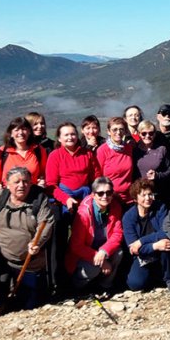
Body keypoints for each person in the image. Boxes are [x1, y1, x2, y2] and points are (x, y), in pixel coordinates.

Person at [0, 167, 54, 317]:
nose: (22, 185)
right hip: (3, 257)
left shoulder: (40, 199)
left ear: (31, 183)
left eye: (25, 181)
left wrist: (36, 243)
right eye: (17, 182)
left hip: (30, 260)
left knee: (30, 305)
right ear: (7, 184)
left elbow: (46, 224)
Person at [44, 122, 102, 290]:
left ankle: (84, 275)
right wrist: (66, 199)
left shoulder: (87, 154)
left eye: (73, 134)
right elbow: (51, 185)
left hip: (84, 198)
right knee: (60, 241)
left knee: (84, 237)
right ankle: (59, 280)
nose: (70, 137)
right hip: (63, 201)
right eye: (66, 135)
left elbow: (96, 178)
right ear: (59, 138)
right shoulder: (55, 155)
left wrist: (93, 197)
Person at [65, 177, 124, 293]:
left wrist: (104, 251)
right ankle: (78, 288)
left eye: (109, 192)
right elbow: (76, 246)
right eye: (100, 193)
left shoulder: (115, 207)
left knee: (119, 253)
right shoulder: (83, 213)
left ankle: (105, 286)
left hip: (102, 251)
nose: (105, 196)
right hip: (85, 255)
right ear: (93, 195)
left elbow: (117, 234)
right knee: (94, 268)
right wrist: (99, 258)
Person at [123, 179, 170, 292]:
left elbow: (166, 231)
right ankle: (152, 277)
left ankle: (169, 278)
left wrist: (141, 241)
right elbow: (133, 248)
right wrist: (154, 246)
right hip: (143, 256)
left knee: (166, 245)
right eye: (143, 195)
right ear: (135, 198)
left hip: (161, 251)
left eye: (150, 194)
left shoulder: (160, 207)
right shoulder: (128, 217)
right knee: (135, 284)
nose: (148, 198)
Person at [0, 117, 48, 193]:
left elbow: (44, 173)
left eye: (24, 129)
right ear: (11, 134)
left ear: (29, 132)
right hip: (8, 195)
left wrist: (42, 182)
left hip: (33, 195)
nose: (21, 133)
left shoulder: (39, 150)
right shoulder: (3, 151)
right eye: (16, 130)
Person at [96, 117, 135, 206]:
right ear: (108, 131)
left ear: (125, 131)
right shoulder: (102, 150)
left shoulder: (129, 148)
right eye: (115, 130)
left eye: (121, 129)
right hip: (110, 197)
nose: (118, 132)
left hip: (129, 197)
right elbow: (98, 175)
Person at [133, 120, 170, 190]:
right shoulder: (134, 150)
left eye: (150, 133)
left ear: (154, 134)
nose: (147, 136)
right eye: (144, 133)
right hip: (139, 192)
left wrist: (157, 175)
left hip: (158, 191)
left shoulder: (161, 150)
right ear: (139, 134)